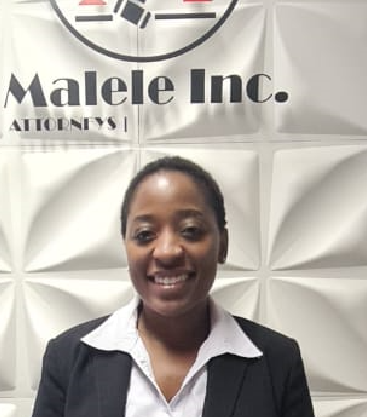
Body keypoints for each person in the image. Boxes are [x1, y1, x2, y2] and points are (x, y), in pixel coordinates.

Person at [32, 155, 315, 417]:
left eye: (190, 231)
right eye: (145, 234)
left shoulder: (277, 362)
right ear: (126, 247)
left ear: (223, 245)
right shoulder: (67, 358)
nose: (167, 252)